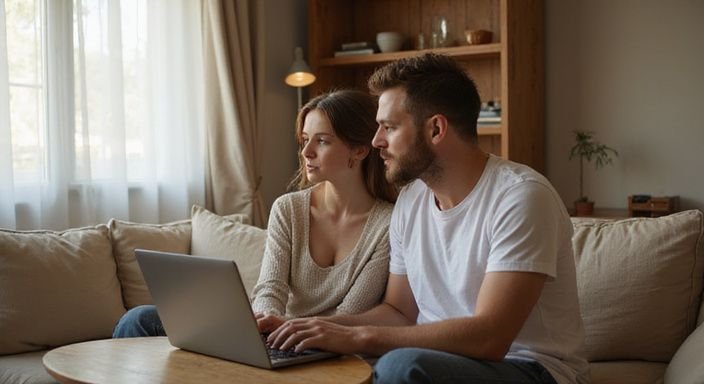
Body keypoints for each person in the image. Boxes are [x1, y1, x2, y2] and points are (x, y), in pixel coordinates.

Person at [266, 53, 589, 384]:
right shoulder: (411, 200)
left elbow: (490, 337)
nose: (376, 140)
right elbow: (399, 312)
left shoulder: (521, 197)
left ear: (436, 128)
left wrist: (359, 338)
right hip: (438, 363)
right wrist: (307, 328)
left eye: (389, 127)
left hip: (528, 368)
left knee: (399, 367)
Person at [113, 89, 396, 338]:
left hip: (326, 346)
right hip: (272, 335)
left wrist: (286, 327)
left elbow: (349, 315)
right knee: (139, 319)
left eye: (322, 141)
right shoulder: (289, 209)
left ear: (359, 150)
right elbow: (270, 289)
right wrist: (265, 321)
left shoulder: (387, 223)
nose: (306, 152)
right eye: (305, 139)